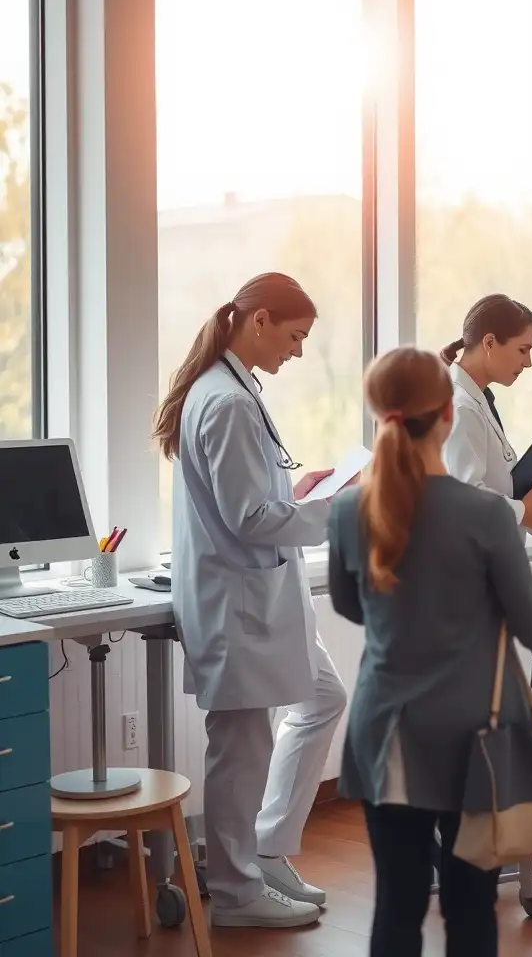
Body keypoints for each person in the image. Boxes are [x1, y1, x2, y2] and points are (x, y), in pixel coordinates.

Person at [328, 346, 532, 957]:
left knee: (397, 903)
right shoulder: (486, 512)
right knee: (471, 906)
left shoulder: (346, 508)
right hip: (475, 737)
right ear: (447, 412)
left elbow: (350, 607)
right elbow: (527, 620)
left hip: (385, 730)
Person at [153, 272, 350, 928]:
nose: (296, 351)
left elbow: (254, 504)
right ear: (259, 320)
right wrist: (340, 510)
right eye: (294, 337)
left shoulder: (233, 390)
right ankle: (236, 894)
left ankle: (265, 849)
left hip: (256, 594)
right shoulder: (227, 400)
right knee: (239, 749)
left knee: (323, 696)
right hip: (238, 602)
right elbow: (250, 520)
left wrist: (304, 494)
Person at [440, 293, 532, 537]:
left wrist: (530, 512)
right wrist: (523, 512)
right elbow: (464, 499)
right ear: (489, 343)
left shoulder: (476, 400)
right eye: (522, 350)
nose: (528, 362)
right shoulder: (460, 407)